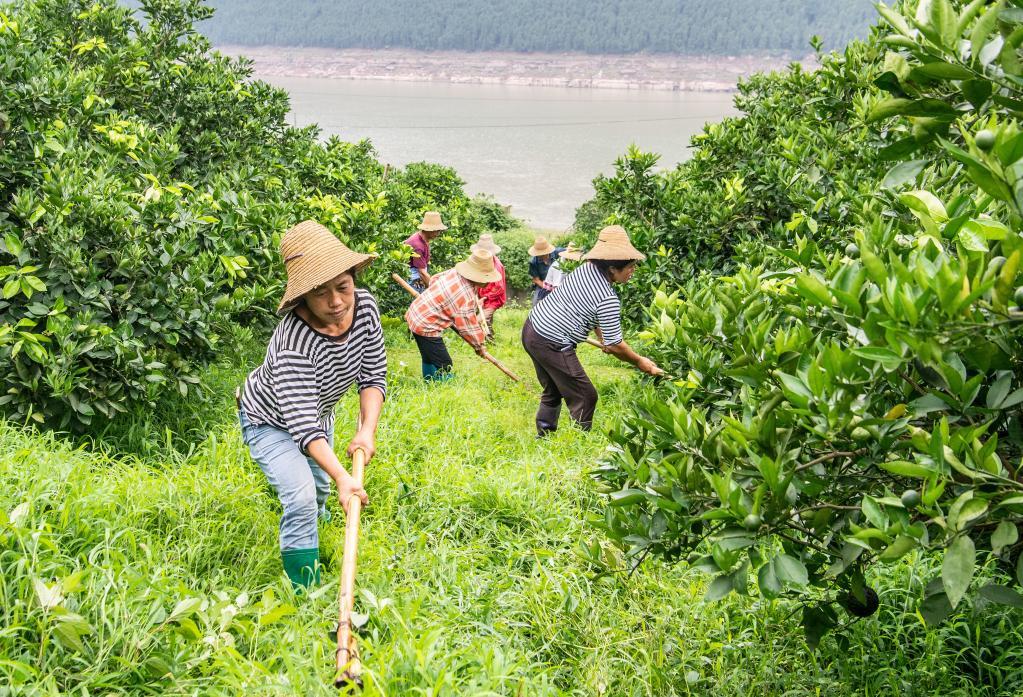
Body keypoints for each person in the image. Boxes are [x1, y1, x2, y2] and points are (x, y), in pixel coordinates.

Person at [238, 220, 386, 590]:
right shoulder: (293, 342)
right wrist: (344, 478)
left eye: (343, 287)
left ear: (353, 278)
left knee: (320, 489)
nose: (336, 302)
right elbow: (301, 425)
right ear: (302, 296)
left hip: (319, 414)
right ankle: (304, 589)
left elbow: (373, 375)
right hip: (269, 421)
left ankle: (312, 528)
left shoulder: (365, 307)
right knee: (303, 495)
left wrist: (366, 432)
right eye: (320, 294)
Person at [521, 225, 662, 437]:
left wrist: (602, 336)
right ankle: (579, 443)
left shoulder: (586, 268)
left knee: (553, 389)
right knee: (585, 396)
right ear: (613, 268)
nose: (633, 271)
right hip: (552, 342)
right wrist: (640, 361)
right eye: (630, 267)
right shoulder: (607, 298)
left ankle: (544, 438)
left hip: (532, 328)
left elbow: (589, 309)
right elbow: (616, 344)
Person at [405, 248, 500, 380]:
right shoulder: (466, 296)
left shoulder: (454, 272)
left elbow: (434, 279)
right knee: (445, 364)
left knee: (429, 355)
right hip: (426, 325)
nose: (489, 281)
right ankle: (442, 388)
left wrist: (443, 301)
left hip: (416, 313)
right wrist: (479, 346)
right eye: (487, 277)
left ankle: (428, 382)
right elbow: (468, 327)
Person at [472, 234, 506, 341]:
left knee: (479, 321)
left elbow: (499, 288)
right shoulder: (484, 262)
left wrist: (484, 298)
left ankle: (482, 343)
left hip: (493, 300)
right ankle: (490, 341)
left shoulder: (496, 266)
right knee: (487, 321)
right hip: (483, 297)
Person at [404, 211, 447, 290]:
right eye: (436, 230)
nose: (438, 233)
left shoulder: (424, 238)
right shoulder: (418, 245)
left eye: (439, 231)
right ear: (428, 230)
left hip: (419, 274)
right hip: (413, 280)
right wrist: (432, 290)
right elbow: (422, 273)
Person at [528, 236, 562, 304]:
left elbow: (569, 252)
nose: (540, 255)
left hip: (560, 283)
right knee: (536, 303)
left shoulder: (558, 252)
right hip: (543, 285)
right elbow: (536, 280)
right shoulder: (533, 262)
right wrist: (549, 288)